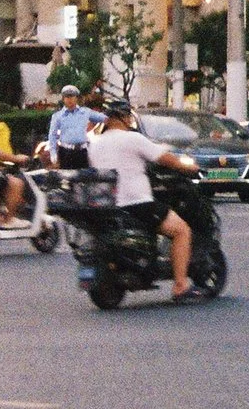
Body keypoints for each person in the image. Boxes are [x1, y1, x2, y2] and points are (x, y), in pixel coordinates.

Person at [87, 98, 201, 300]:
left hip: (108, 207)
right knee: (182, 230)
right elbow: (165, 158)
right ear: (123, 117)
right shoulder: (133, 139)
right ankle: (181, 285)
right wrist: (189, 167)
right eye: (129, 116)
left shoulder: (95, 144)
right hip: (137, 203)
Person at [45, 85, 99, 170]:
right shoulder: (57, 116)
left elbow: (99, 120)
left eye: (72, 96)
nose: (69, 99)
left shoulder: (84, 113)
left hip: (82, 151)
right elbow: (53, 135)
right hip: (66, 152)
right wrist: (53, 152)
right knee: (67, 179)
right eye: (67, 97)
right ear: (63, 99)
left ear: (76, 98)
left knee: (83, 179)